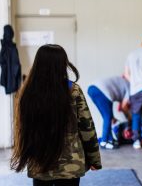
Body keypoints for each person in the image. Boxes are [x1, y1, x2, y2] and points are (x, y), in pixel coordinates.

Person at [11, 44, 101, 186]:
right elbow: (86, 127)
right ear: (62, 64)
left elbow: (22, 128)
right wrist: (94, 159)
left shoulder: (28, 91)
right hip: (71, 164)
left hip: (40, 162)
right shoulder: (74, 90)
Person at [88, 76, 130, 149]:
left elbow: (121, 106)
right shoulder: (130, 87)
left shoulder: (122, 82)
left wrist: (113, 117)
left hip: (92, 89)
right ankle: (104, 142)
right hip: (103, 91)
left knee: (107, 116)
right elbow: (124, 106)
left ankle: (110, 140)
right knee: (107, 117)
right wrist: (129, 118)